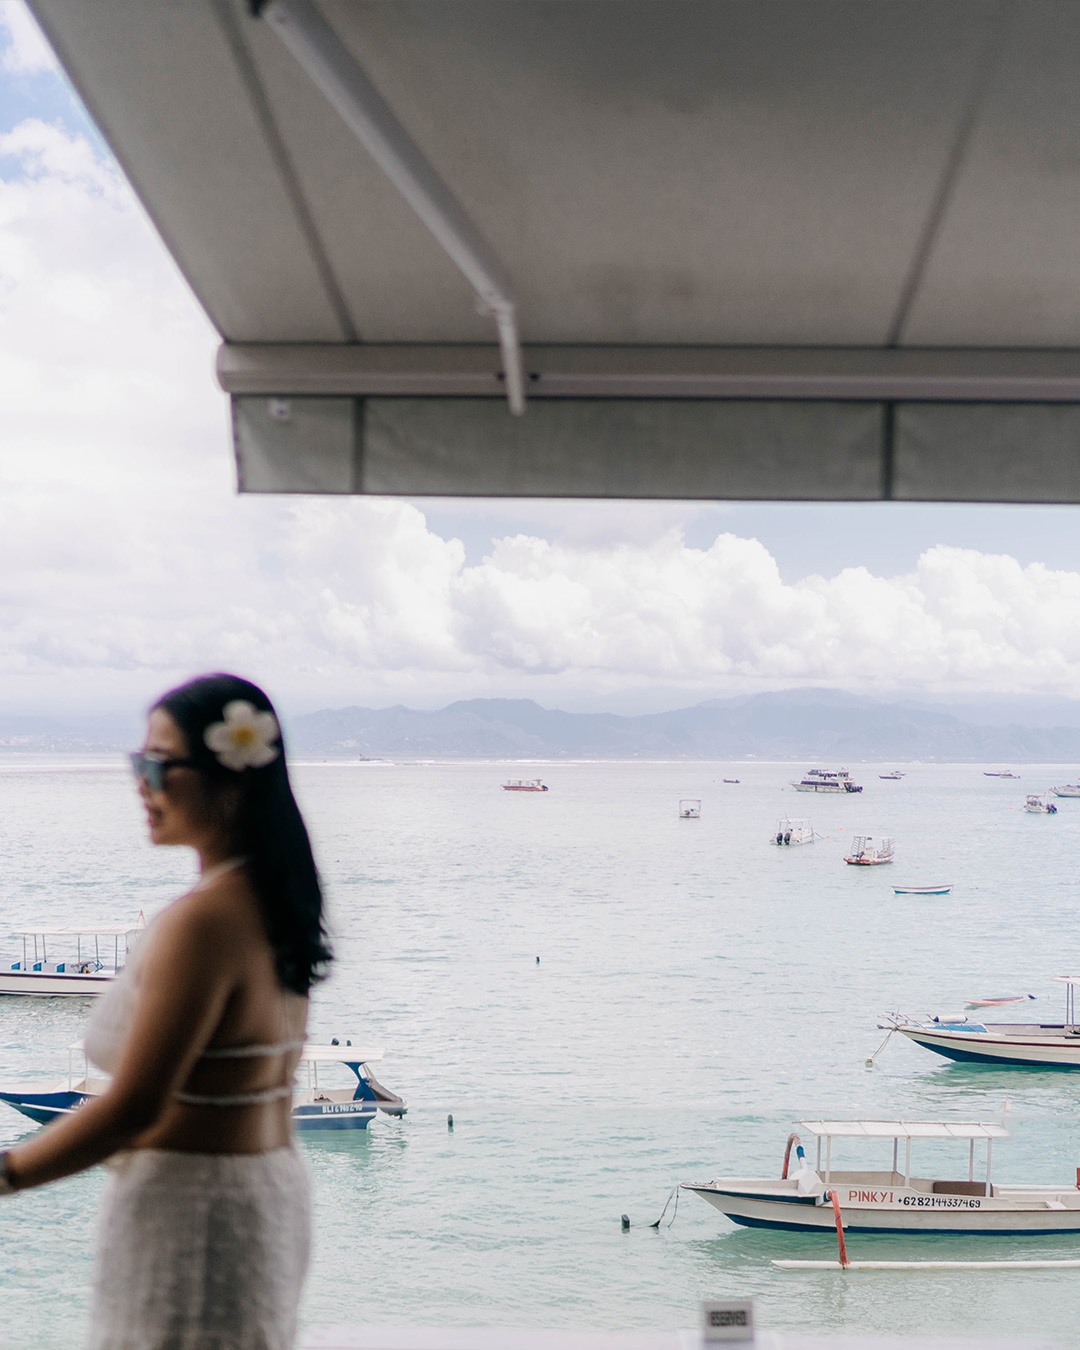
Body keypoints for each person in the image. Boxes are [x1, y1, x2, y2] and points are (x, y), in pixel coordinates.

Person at [0, 673, 332, 1349]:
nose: (140, 783)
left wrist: (7, 1173)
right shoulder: (272, 900)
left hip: (195, 1213)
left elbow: (136, 1106)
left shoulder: (203, 921)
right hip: (261, 1195)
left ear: (230, 779)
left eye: (158, 764)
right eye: (137, 763)